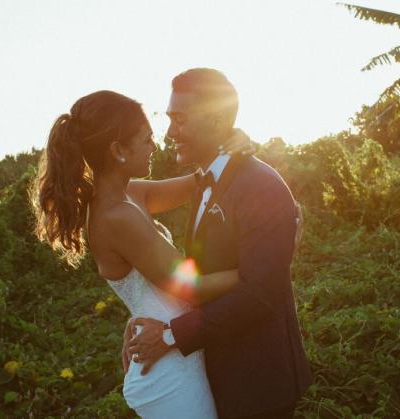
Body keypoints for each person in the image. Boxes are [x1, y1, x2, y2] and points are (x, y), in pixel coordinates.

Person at [31, 90, 255, 418]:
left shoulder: (128, 195)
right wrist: (257, 269)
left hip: (172, 351)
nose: (155, 146)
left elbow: (199, 182)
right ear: (118, 150)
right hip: (167, 373)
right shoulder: (117, 216)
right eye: (146, 139)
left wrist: (230, 147)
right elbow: (191, 288)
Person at [126, 68, 312, 419]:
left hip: (258, 382)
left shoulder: (260, 185)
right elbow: (202, 273)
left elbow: (259, 294)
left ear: (216, 119)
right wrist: (145, 315)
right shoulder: (205, 181)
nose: (170, 133)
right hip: (219, 372)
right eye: (170, 119)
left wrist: (169, 335)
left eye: (180, 120)